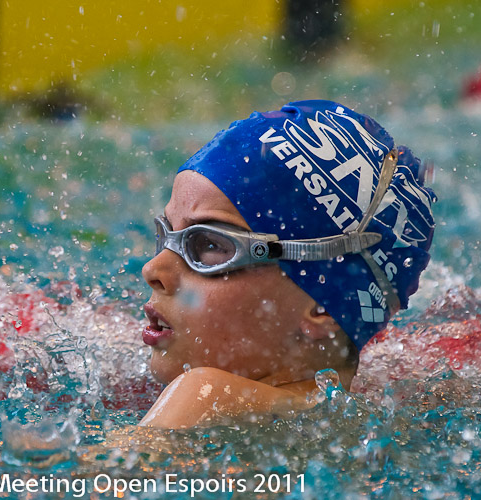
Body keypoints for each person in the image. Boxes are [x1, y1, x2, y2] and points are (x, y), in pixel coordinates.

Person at [138, 100, 436, 428]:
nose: (153, 270)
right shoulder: (389, 414)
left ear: (323, 307)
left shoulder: (203, 398)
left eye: (208, 245)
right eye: (166, 234)